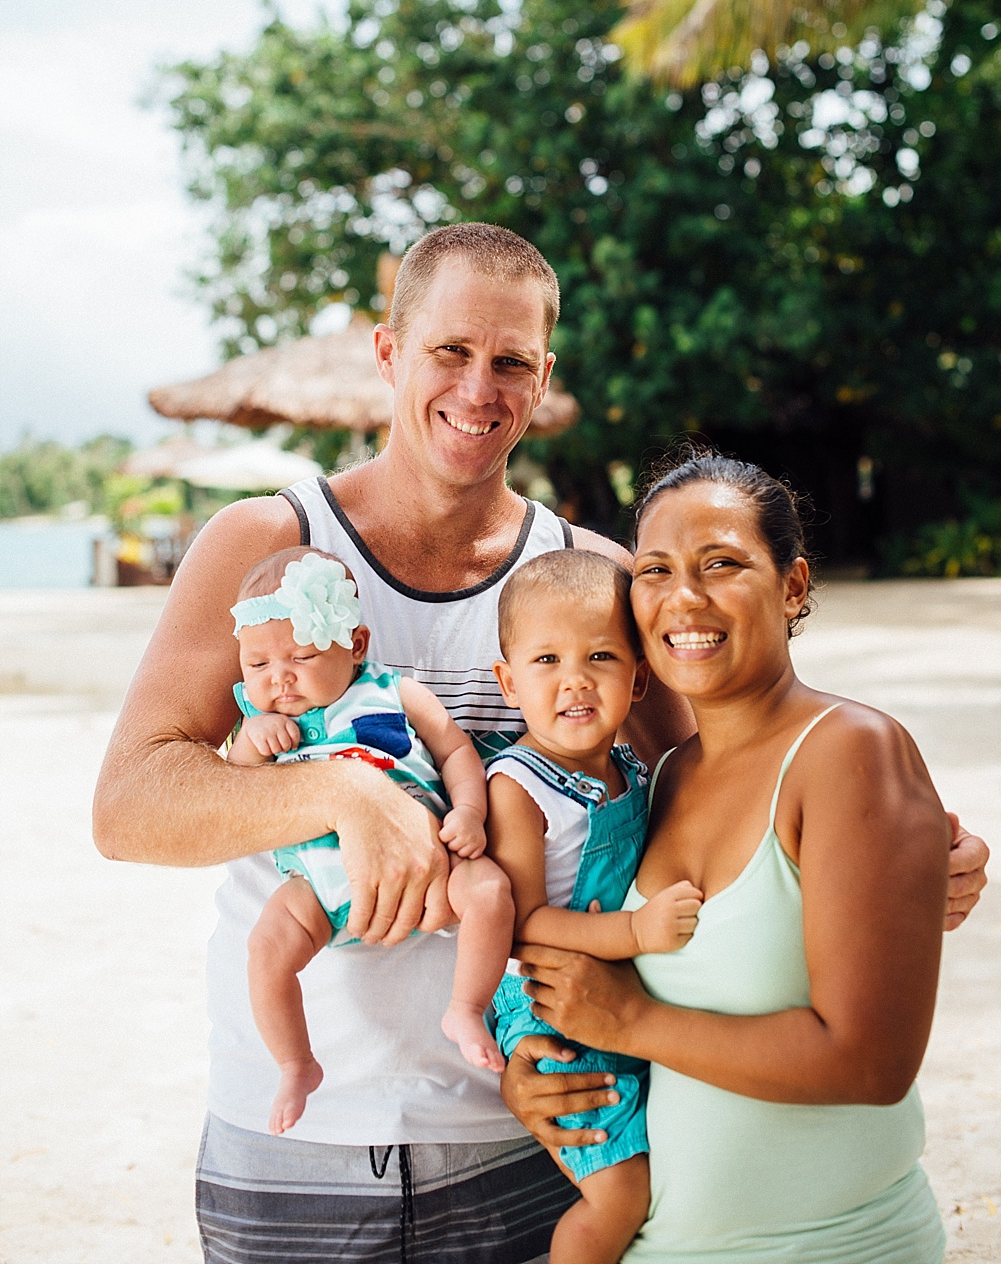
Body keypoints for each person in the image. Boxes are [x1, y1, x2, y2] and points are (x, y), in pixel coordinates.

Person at [92, 223, 988, 1264]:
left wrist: (900, 855)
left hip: (525, 1133)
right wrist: (342, 794)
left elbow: (722, 779)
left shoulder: (593, 577)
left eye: (510, 362)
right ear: (388, 353)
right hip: (296, 1143)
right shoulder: (269, 546)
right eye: (449, 352)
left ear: (541, 377)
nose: (479, 388)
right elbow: (129, 805)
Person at [512, 453, 957, 1262]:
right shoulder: (662, 774)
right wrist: (541, 1070)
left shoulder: (848, 750)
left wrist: (635, 1021)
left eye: (721, 563)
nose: (684, 597)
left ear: (792, 586)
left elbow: (871, 1060)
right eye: (655, 570)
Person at [228, 545, 514, 1135]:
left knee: (489, 892)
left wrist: (470, 811)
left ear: (354, 645)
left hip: (433, 857)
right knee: (265, 949)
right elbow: (235, 793)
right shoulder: (261, 726)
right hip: (319, 885)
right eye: (256, 666)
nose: (278, 677)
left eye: (301, 656)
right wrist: (253, 740)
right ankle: (295, 1062)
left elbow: (456, 750)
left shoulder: (394, 692)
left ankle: (465, 1008)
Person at [487, 548, 703, 1264]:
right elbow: (521, 925)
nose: (574, 679)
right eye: (545, 661)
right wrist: (634, 930)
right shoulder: (518, 786)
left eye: (601, 656)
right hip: (548, 1004)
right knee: (620, 1196)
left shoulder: (632, 767)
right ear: (507, 681)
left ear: (639, 678)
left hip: (618, 996)